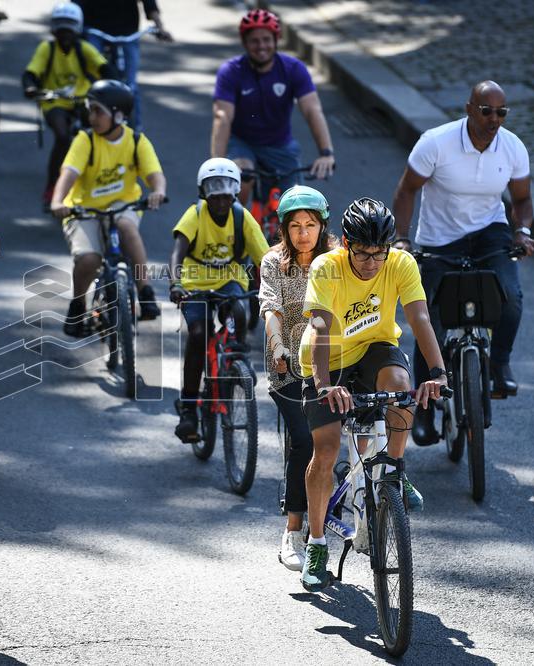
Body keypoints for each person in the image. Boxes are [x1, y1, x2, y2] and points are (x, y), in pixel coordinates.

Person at [298, 198, 448, 592]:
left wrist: (438, 373)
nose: (371, 263)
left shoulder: (401, 263)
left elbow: (419, 318)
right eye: (362, 253)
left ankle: (395, 470)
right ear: (346, 244)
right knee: (327, 450)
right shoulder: (326, 267)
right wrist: (325, 385)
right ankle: (315, 544)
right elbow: (320, 328)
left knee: (400, 385)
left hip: (374, 350)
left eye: (378, 254)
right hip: (327, 359)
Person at [391, 80, 534, 444]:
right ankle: (423, 408)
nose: (494, 118)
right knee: (430, 322)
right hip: (440, 239)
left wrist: (522, 230)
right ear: (469, 108)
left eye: (501, 112)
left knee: (512, 298)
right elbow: (407, 190)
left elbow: (522, 199)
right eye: (486, 110)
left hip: (490, 232)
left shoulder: (513, 147)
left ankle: (499, 364)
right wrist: (403, 239)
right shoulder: (436, 143)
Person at [50, 79, 165, 336]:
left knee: (126, 226)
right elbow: (67, 175)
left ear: (118, 114)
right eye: (90, 110)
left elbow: (155, 175)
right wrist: (58, 201)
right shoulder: (85, 140)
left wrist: (158, 192)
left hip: (123, 205)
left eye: (97, 111)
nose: (91, 117)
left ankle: (145, 293)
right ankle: (78, 305)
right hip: (83, 209)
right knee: (89, 259)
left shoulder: (136, 141)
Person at [259, 185, 335, 571]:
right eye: (295, 226)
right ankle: (292, 530)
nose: (303, 233)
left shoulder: (338, 260)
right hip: (288, 364)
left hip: (333, 360)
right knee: (304, 439)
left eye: (311, 225)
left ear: (322, 226)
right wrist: (277, 348)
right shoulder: (273, 262)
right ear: (284, 229)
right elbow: (270, 308)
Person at [168, 158, 270, 441]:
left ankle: (235, 361)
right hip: (194, 282)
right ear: (203, 191)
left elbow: (266, 258)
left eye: (227, 188)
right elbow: (178, 252)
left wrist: (280, 286)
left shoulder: (242, 217)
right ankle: (188, 408)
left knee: (238, 311)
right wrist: (176, 283)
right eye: (214, 189)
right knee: (199, 334)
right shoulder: (195, 214)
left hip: (229, 280)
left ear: (236, 190)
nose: (221, 196)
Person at [211, 9, 336, 207]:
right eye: (254, 40)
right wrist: (217, 164)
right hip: (243, 143)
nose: (261, 46)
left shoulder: (293, 69)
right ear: (245, 43)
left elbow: (313, 110)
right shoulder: (231, 72)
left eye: (266, 39)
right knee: (241, 181)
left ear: (276, 40)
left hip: (280, 145)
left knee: (297, 205)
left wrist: (326, 153)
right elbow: (222, 117)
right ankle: (237, 230)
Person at [23, 2, 114, 210]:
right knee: (63, 137)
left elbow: (105, 68)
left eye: (70, 28)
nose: (65, 33)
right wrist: (30, 87)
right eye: (61, 28)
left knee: (97, 132)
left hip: (83, 100)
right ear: (54, 29)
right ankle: (52, 187)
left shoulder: (84, 49)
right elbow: (30, 74)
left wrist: (113, 84)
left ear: (78, 29)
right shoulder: (47, 49)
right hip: (54, 101)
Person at [74, 0, 173, 132]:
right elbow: (76, 5)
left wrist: (160, 27)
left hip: (127, 33)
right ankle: (85, 122)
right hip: (95, 31)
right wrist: (72, 26)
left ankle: (136, 133)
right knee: (91, 78)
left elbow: (149, 3)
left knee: (131, 85)